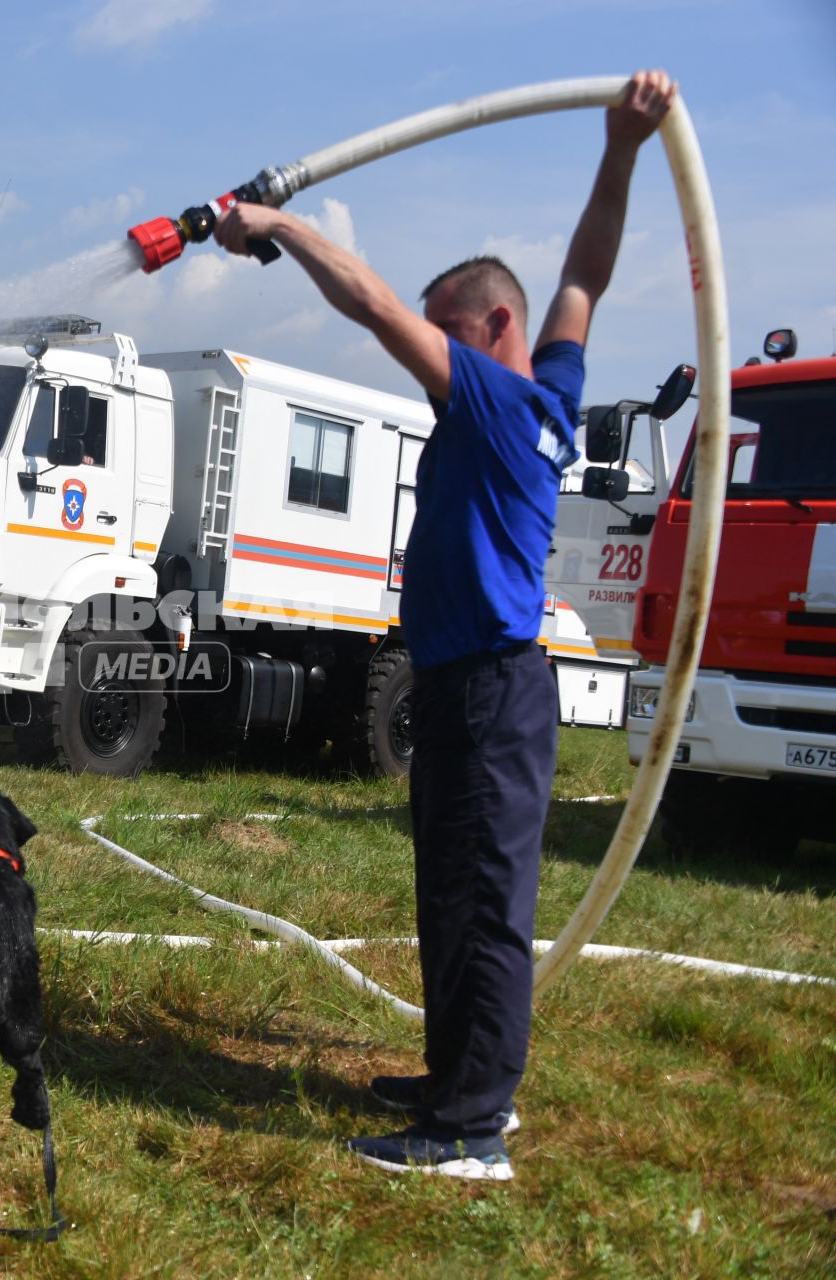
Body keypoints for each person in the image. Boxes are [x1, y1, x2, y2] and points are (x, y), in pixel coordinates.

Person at [215, 71, 676, 1180]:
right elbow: (584, 276)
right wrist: (620, 149)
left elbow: (371, 304)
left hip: (490, 685)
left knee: (481, 903)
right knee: (454, 890)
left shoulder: (499, 398)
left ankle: (471, 1131)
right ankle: (459, 1079)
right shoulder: (550, 389)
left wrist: (278, 223)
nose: (434, 353)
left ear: (489, 331)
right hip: (475, 682)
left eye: (449, 334)